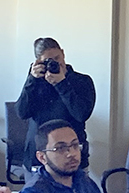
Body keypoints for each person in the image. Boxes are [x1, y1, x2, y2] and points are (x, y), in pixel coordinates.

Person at [16, 37, 96, 171]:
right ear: (38, 62)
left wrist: (61, 84)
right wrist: (31, 81)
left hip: (72, 158)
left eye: (57, 58)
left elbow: (81, 114)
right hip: (39, 157)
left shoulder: (82, 81)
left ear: (63, 53)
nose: (56, 63)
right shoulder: (36, 82)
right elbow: (21, 112)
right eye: (49, 60)